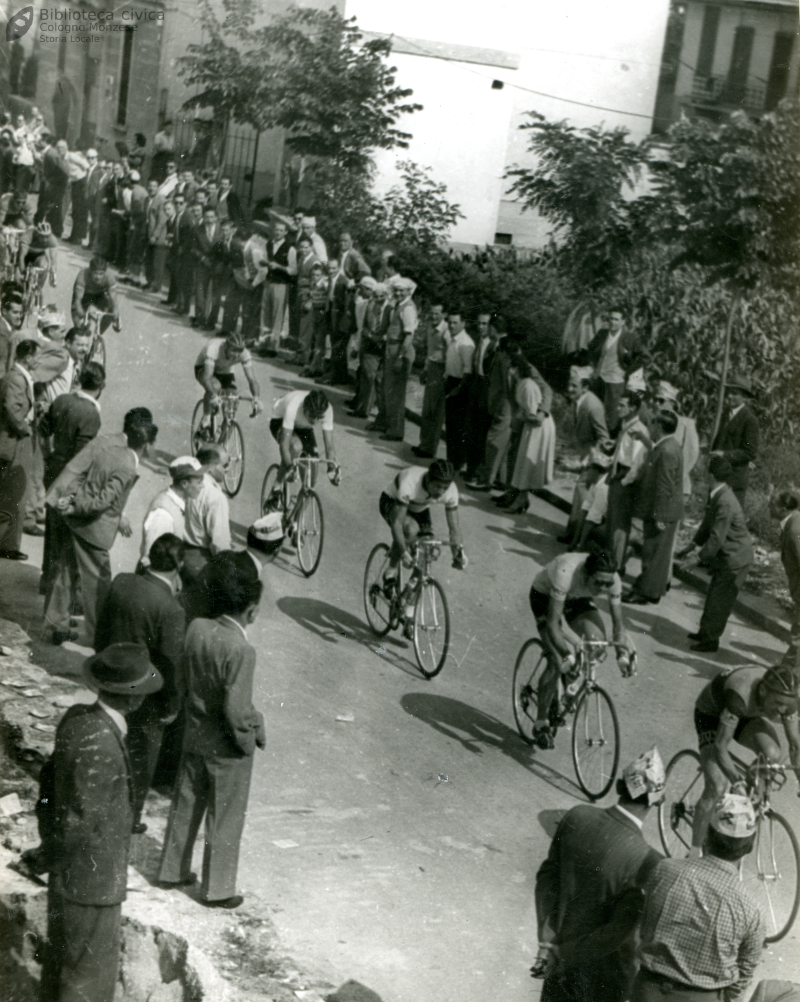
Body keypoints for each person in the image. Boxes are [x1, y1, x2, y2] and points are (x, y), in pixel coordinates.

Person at [33, 644, 163, 1002]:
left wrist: (46, 843)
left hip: (67, 877)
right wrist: (49, 854)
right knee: (88, 981)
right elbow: (80, 820)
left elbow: (47, 785)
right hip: (92, 884)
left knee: (60, 967)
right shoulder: (105, 744)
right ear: (134, 700)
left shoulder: (76, 719)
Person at [157, 571, 265, 909]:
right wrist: (249, 739)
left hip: (195, 734)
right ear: (250, 611)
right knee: (225, 817)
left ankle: (171, 870)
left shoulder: (197, 628)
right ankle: (216, 889)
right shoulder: (242, 650)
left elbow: (186, 679)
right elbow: (236, 709)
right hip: (226, 748)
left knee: (185, 804)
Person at [533, 748, 665, 1002]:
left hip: (555, 958)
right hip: (603, 980)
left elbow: (546, 878)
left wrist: (548, 941)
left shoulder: (577, 816)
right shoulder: (649, 861)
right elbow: (619, 933)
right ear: (657, 800)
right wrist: (564, 954)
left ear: (619, 786)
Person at [633, 793, 764, 1002]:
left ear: (707, 837)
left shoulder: (665, 870)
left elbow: (645, 925)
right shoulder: (751, 909)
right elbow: (743, 976)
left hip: (648, 989)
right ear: (748, 847)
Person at [44, 407, 159, 646]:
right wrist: (74, 505)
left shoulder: (112, 445)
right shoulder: (119, 454)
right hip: (87, 522)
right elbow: (92, 488)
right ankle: (100, 638)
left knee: (67, 571)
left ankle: (57, 624)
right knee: (99, 584)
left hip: (74, 516)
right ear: (145, 441)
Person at [94, 535, 187, 830]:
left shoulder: (122, 581)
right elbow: (171, 664)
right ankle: (128, 818)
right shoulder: (171, 608)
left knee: (108, 740)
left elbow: (101, 626)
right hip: (146, 692)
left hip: (111, 677)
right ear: (179, 566)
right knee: (140, 757)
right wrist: (172, 704)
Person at [528, 550, 635, 749]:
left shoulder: (613, 579)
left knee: (598, 643)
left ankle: (568, 681)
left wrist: (622, 654)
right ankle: (541, 723)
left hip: (577, 598)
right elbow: (553, 624)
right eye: (599, 583)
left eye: (607, 584)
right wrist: (566, 655)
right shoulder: (565, 571)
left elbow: (618, 622)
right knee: (556, 661)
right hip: (545, 596)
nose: (604, 588)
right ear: (586, 575)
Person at [690, 664, 799, 852]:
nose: (782, 711)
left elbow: (795, 746)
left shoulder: (787, 699)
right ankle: (693, 853)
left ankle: (745, 800)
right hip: (710, 714)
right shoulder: (738, 696)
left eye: (785, 705)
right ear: (764, 691)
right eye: (778, 703)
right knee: (717, 785)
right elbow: (720, 746)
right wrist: (736, 780)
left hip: (746, 715)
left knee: (772, 756)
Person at [39, 361, 105, 602]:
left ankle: (46, 579)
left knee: (52, 528)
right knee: (68, 537)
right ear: (101, 386)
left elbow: (43, 430)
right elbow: (83, 455)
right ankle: (61, 594)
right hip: (71, 479)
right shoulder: (91, 413)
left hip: (53, 469)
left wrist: (48, 456)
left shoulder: (62, 400)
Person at [676, 455, 754, 653]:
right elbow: (707, 525)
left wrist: (697, 559)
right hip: (728, 557)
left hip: (735, 559)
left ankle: (710, 640)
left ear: (710, 475)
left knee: (719, 601)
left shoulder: (725, 501)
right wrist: (692, 545)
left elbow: (717, 538)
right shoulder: (719, 493)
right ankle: (705, 632)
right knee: (713, 597)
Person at [379, 459, 467, 631]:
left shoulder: (451, 490)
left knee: (427, 551)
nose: (441, 492)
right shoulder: (411, 481)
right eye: (437, 487)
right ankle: (390, 572)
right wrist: (404, 552)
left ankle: (409, 610)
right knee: (409, 530)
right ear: (428, 480)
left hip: (419, 508)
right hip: (392, 501)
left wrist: (458, 553)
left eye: (444, 487)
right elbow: (397, 523)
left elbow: (454, 528)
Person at [623, 409, 684, 606]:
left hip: (662, 512)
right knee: (657, 554)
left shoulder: (666, 451)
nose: (650, 428)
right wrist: (643, 438)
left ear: (659, 427)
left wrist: (659, 517)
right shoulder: (669, 445)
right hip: (665, 511)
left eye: (653, 425)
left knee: (652, 553)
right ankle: (652, 591)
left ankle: (644, 592)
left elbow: (664, 487)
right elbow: (655, 450)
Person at [496, 351, 555, 514]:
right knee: (520, 460)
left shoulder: (527, 385)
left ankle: (521, 499)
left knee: (527, 462)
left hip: (537, 427)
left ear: (517, 368)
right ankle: (517, 496)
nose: (509, 371)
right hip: (528, 426)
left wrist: (520, 416)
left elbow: (534, 416)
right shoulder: (521, 383)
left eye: (511, 368)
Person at [559, 366, 610, 544]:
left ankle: (577, 535)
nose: (570, 389)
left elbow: (604, 438)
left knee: (583, 492)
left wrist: (591, 460)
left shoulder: (593, 406)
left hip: (594, 458)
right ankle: (574, 532)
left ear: (585, 387)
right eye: (569, 385)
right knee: (581, 493)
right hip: (585, 453)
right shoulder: (579, 400)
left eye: (574, 386)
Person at [0, 339, 38, 561]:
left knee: (11, 492)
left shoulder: (18, 376)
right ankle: (7, 544)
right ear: (27, 357)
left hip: (12, 440)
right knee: (13, 493)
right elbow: (12, 408)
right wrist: (26, 428)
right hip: (14, 441)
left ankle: (7, 542)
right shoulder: (16, 378)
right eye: (35, 356)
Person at [604, 389, 649, 573]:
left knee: (620, 526)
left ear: (633, 408)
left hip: (625, 479)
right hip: (617, 474)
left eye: (622, 405)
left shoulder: (638, 430)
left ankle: (617, 564)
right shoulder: (626, 424)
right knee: (612, 521)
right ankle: (611, 559)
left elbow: (637, 464)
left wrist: (624, 482)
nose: (618, 408)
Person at [582, 306, 643, 435]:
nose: (612, 322)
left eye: (616, 319)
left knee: (612, 415)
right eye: (610, 319)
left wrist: (627, 370)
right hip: (598, 379)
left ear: (623, 321)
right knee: (594, 410)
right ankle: (594, 440)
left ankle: (610, 445)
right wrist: (593, 366)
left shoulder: (629, 338)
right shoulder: (602, 334)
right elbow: (590, 349)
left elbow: (644, 357)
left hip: (615, 382)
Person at [193, 330, 262, 434]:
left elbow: (252, 379)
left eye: (239, 351)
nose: (236, 355)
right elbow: (207, 378)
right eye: (233, 351)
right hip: (204, 368)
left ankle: (224, 437)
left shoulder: (244, 353)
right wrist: (212, 395)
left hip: (225, 371)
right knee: (215, 386)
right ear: (226, 346)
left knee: (231, 401)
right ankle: (206, 418)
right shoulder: (214, 348)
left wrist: (256, 399)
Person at [269, 389, 339, 492]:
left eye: (318, 418)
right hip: (280, 419)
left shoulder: (327, 410)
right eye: (312, 416)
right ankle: (277, 486)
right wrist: (289, 467)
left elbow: (329, 446)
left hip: (303, 427)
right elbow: (284, 445)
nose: (315, 420)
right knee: (295, 446)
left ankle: (300, 505)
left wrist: (331, 469)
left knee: (311, 479)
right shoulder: (294, 406)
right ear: (305, 408)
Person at [139, 456, 204, 565]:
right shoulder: (163, 515)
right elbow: (149, 558)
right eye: (198, 482)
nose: (202, 486)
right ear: (184, 484)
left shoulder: (179, 500)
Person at [182, 444, 232, 582]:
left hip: (177, 551)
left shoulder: (183, 482)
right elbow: (219, 544)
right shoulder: (215, 497)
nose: (227, 470)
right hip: (198, 561)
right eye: (225, 465)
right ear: (211, 467)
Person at [711, 372, 759, 512]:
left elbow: (750, 452)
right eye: (729, 392)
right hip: (719, 476)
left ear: (744, 397)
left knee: (728, 520)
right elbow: (720, 440)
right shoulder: (727, 412)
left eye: (734, 393)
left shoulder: (750, 420)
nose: (729, 396)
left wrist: (724, 455)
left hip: (734, 480)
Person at [378, 276, 417, 442]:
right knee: (389, 389)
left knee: (397, 393)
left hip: (400, 349)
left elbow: (409, 335)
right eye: (397, 290)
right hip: (392, 347)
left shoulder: (408, 308)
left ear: (408, 291)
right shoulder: (398, 305)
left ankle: (396, 431)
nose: (398, 293)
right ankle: (388, 425)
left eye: (402, 290)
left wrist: (400, 357)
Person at [413, 301, 449, 458]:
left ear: (444, 315)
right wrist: (425, 370)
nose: (434, 316)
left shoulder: (446, 332)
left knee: (434, 411)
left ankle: (429, 449)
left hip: (441, 371)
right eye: (432, 313)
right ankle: (423, 443)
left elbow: (449, 356)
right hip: (432, 367)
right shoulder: (430, 328)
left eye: (437, 313)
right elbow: (430, 351)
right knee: (427, 409)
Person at [441, 309, 475, 472]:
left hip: (461, 385)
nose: (451, 325)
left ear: (463, 323)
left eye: (455, 323)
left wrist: (458, 389)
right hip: (451, 381)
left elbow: (468, 370)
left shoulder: (465, 343)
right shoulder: (452, 339)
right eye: (449, 322)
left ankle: (457, 461)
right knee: (451, 424)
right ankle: (451, 459)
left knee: (458, 425)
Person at [771, 490, 800, 670]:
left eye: (772, 504)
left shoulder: (795, 530)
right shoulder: (793, 522)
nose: (769, 507)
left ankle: (789, 676)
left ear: (783, 509)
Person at [261, 218, 297, 353]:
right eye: (276, 230)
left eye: (281, 231)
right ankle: (264, 344)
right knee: (266, 315)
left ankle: (273, 347)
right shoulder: (269, 244)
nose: (278, 233)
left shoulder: (290, 248)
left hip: (281, 284)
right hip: (269, 282)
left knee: (277, 316)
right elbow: (264, 259)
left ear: (286, 232)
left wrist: (279, 267)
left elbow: (293, 270)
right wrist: (264, 263)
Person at [71, 256, 121, 336]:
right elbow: (78, 300)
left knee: (111, 308)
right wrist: (81, 314)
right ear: (90, 271)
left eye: (101, 274)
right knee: (78, 323)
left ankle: (99, 335)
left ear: (105, 272)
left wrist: (115, 311)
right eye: (95, 273)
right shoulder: (82, 275)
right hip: (84, 295)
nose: (98, 277)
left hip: (100, 295)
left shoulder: (110, 276)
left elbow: (113, 298)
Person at [18, 219, 58, 295]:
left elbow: (53, 260)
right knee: (19, 277)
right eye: (42, 236)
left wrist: (54, 275)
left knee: (44, 266)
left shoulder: (52, 239)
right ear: (37, 234)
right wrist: (23, 272)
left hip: (38, 255)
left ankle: (38, 289)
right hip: (26, 255)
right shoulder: (29, 235)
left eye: (47, 236)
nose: (45, 239)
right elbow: (21, 257)